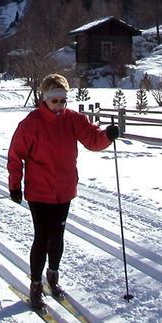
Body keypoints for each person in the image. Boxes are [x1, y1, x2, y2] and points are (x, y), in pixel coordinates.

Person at [7, 73, 120, 309]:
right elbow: (15, 156)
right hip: (39, 192)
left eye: (62, 100)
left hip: (64, 189)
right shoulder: (31, 124)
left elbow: (92, 140)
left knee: (57, 236)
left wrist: (107, 137)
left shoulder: (74, 120)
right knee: (42, 237)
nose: (59, 105)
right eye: (54, 100)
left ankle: (53, 276)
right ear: (45, 99)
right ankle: (36, 284)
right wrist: (15, 185)